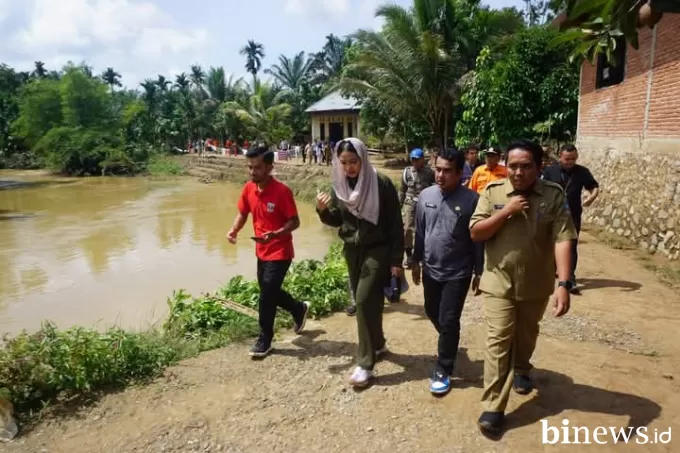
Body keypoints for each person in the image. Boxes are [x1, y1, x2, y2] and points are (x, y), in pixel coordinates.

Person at [469, 139, 577, 435]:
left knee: (527, 334)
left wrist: (564, 283)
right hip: (498, 281)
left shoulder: (553, 196)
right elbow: (476, 232)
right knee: (498, 338)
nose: (518, 172)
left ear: (539, 167)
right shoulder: (493, 192)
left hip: (536, 283)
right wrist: (506, 212)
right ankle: (493, 405)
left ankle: (522, 368)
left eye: (526, 166)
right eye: (513, 166)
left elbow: (563, 237)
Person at [316, 138, 405, 387]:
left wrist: (397, 260)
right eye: (343, 163)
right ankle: (378, 345)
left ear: (363, 159)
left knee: (363, 301)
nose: (349, 168)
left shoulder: (381, 183)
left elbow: (395, 225)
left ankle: (365, 363)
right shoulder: (340, 186)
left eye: (353, 162)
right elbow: (338, 221)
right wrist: (322, 210)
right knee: (369, 301)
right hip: (352, 250)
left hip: (378, 250)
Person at [226, 143, 310, 358]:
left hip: (280, 250)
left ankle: (265, 338)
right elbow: (243, 213)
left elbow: (295, 221)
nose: (253, 171)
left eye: (257, 167)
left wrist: (276, 233)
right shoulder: (248, 189)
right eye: (250, 167)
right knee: (269, 291)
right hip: (261, 250)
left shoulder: (282, 192)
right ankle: (298, 308)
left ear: (270, 168)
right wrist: (234, 230)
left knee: (266, 296)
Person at [411, 147, 484, 395]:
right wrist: (416, 261)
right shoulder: (425, 196)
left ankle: (444, 368)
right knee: (433, 311)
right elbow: (420, 232)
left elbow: (478, 240)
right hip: (431, 268)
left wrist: (479, 271)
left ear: (459, 173)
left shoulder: (471, 200)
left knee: (450, 319)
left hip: (458, 271)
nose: (440, 175)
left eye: (447, 171)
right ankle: (450, 342)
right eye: (438, 169)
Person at [541, 144, 600, 294]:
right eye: (567, 159)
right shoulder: (550, 171)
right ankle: (550, 272)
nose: (570, 162)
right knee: (549, 244)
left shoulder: (582, 172)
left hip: (572, 215)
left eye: (573, 159)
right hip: (551, 214)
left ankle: (569, 279)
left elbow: (594, 186)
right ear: (560, 156)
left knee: (571, 245)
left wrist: (591, 198)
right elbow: (541, 189)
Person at [399, 148, 436, 269]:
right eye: (413, 159)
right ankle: (409, 256)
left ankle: (421, 255)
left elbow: (434, 189)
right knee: (407, 229)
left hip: (424, 203)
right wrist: (399, 205)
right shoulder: (407, 172)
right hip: (410, 204)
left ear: (422, 160)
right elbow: (402, 190)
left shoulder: (430, 172)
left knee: (425, 229)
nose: (414, 162)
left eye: (417, 159)